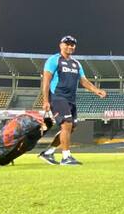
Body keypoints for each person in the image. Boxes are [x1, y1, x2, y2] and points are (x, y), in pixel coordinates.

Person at [39, 35, 106, 166]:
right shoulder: (53, 60)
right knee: (67, 125)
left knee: (72, 127)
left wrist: (96, 90)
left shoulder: (76, 64)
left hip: (71, 99)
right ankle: (66, 157)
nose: (70, 46)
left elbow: (83, 81)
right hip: (57, 97)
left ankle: (48, 152)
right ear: (61, 45)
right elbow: (46, 81)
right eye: (67, 43)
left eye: (72, 44)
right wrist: (46, 100)